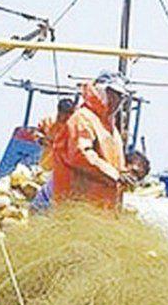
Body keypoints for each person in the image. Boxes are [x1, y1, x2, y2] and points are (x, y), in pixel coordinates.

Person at [54, 71, 137, 209]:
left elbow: (114, 163)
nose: (117, 101)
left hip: (103, 208)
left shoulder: (111, 129)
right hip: (79, 206)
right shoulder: (83, 118)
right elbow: (80, 154)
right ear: (100, 91)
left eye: (121, 97)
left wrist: (123, 174)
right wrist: (114, 174)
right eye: (113, 94)